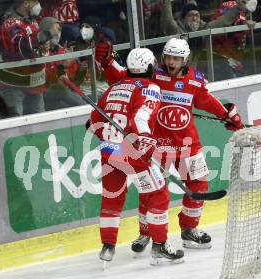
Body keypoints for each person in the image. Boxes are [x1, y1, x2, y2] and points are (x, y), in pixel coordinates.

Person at [97, 38, 245, 253]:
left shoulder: (195, 80)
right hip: (157, 146)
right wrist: (107, 62)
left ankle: (189, 229)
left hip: (187, 145)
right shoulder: (152, 75)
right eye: (168, 57)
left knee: (198, 185)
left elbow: (206, 100)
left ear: (185, 59)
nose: (171, 62)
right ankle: (145, 232)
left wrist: (227, 115)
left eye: (176, 58)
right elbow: (122, 78)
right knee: (151, 192)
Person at [88, 47, 184, 265]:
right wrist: (145, 140)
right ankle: (159, 246)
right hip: (132, 152)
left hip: (108, 152)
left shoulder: (113, 88)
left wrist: (109, 137)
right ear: (150, 67)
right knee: (158, 194)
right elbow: (141, 118)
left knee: (112, 199)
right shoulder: (150, 88)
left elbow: (93, 122)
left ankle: (108, 246)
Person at [0, 0, 49, 116]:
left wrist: (44, 46)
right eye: (35, 1)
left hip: (35, 84)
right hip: (14, 85)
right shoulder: (10, 23)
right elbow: (22, 47)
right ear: (25, 3)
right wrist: (44, 37)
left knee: (40, 123)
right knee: (16, 125)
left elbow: (37, 50)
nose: (38, 4)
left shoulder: (33, 21)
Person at [38, 17, 84, 110]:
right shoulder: (38, 50)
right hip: (43, 93)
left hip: (61, 97)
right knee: (61, 90)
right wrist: (62, 66)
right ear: (45, 30)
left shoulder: (62, 50)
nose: (58, 33)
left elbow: (76, 80)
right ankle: (89, 110)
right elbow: (45, 77)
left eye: (60, 30)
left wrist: (81, 66)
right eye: (56, 29)